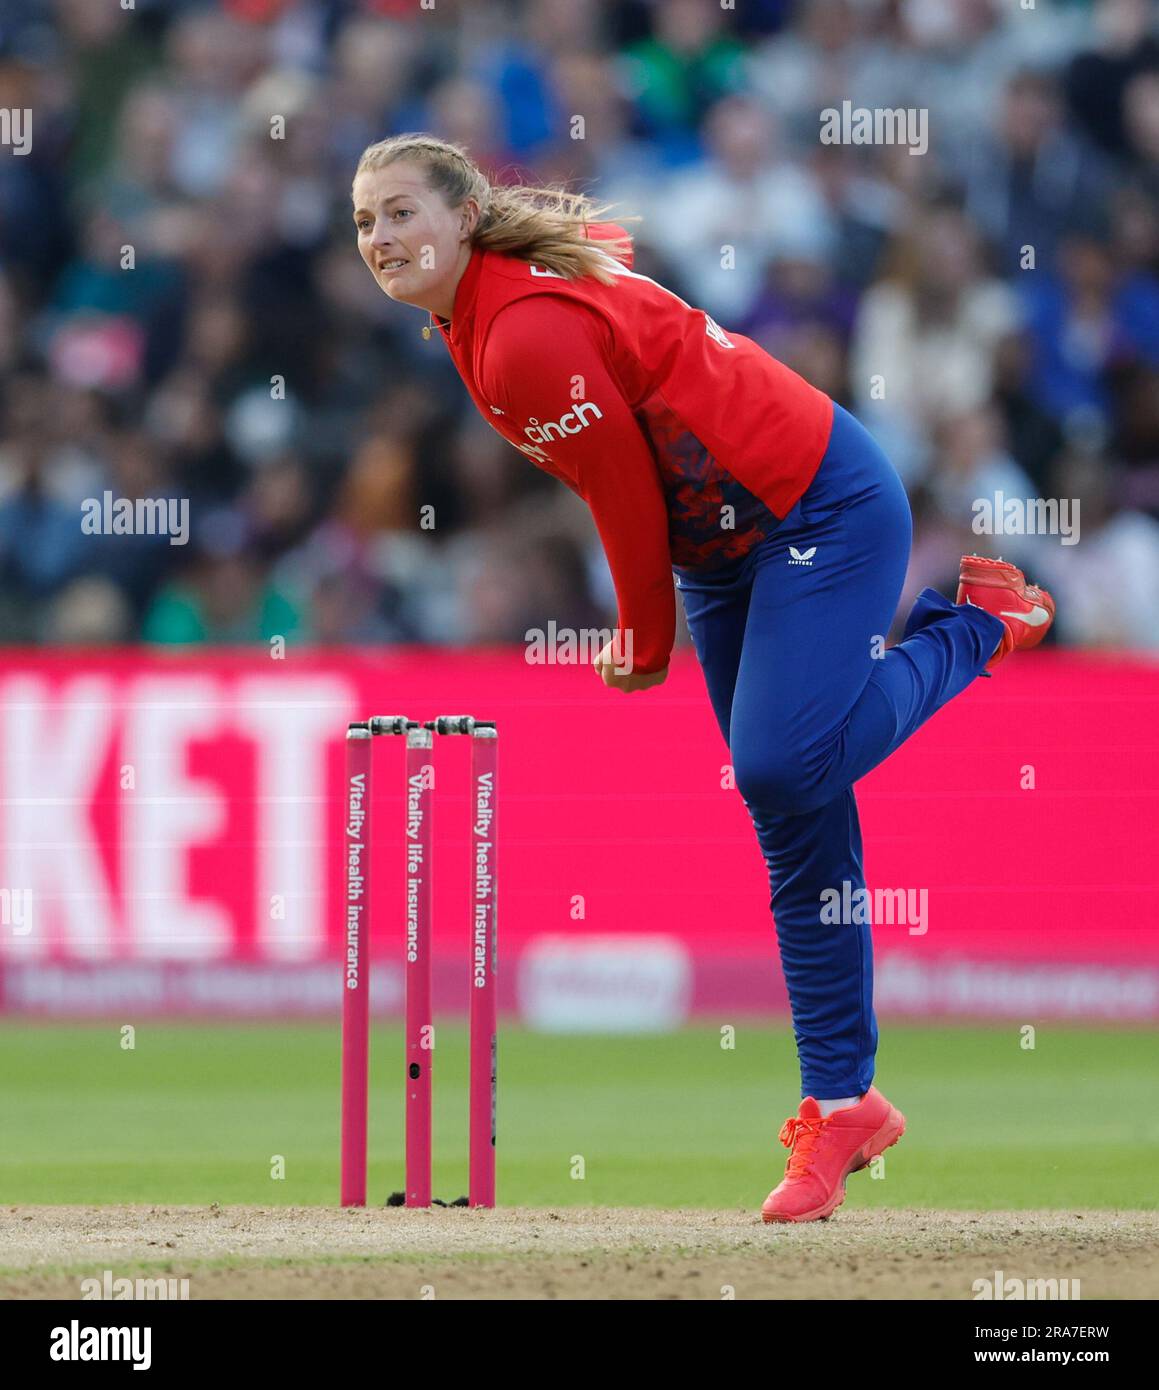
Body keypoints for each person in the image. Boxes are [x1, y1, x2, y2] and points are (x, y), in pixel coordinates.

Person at [351, 134, 1056, 1224]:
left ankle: (973, 624)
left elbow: (624, 490)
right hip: (724, 545)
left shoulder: (517, 331)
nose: (381, 239)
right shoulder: (475, 314)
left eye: (401, 214)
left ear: (463, 215)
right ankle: (843, 1102)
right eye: (365, 223)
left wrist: (640, 637)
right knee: (790, 811)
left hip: (817, 504)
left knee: (779, 764)